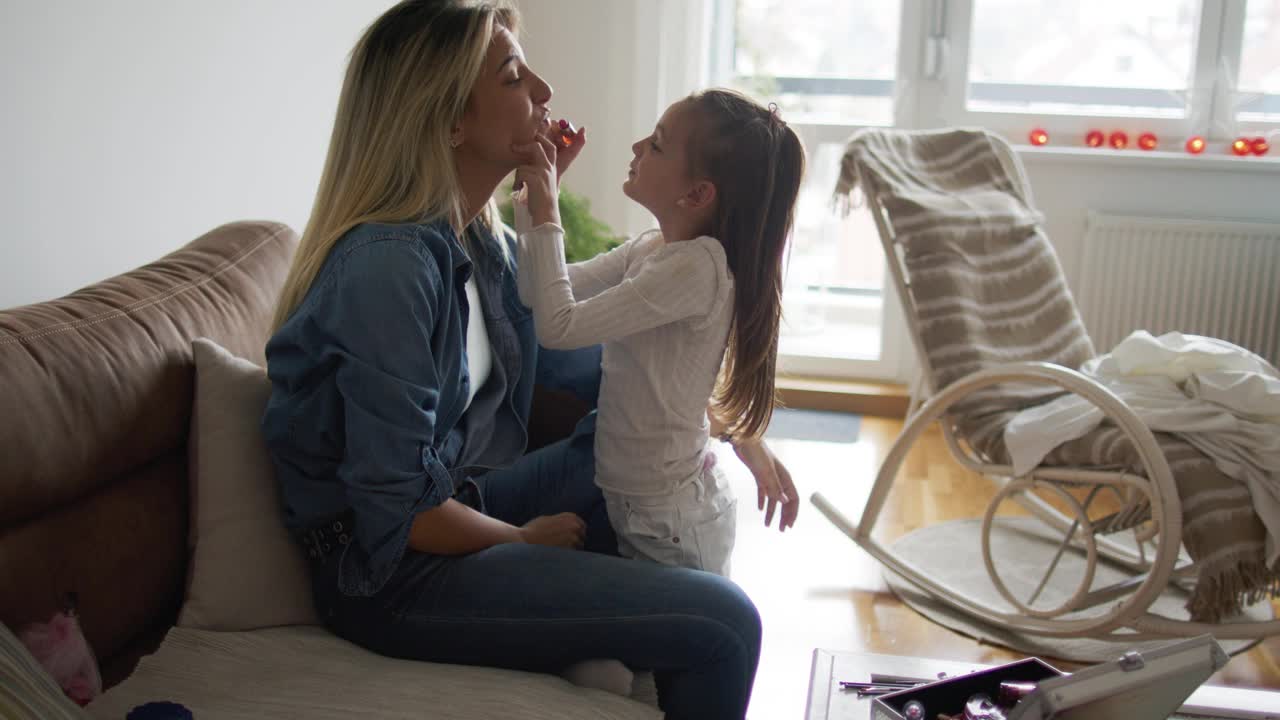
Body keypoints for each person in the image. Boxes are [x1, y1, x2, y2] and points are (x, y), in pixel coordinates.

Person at [259, 2, 793, 718]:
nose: (543, 90)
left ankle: (616, 632)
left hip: (464, 496)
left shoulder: (472, 237)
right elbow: (402, 516)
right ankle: (640, 629)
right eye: (514, 76)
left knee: (627, 448)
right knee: (725, 624)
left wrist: (740, 435)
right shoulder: (389, 271)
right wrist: (521, 539)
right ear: (450, 122)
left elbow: (614, 371)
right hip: (394, 576)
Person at [511, 88, 804, 577]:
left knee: (670, 653)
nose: (636, 147)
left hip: (673, 524)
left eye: (658, 144)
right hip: (641, 507)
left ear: (696, 194)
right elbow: (536, 290)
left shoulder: (696, 268)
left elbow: (558, 328)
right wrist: (540, 191)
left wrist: (547, 207)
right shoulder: (652, 250)